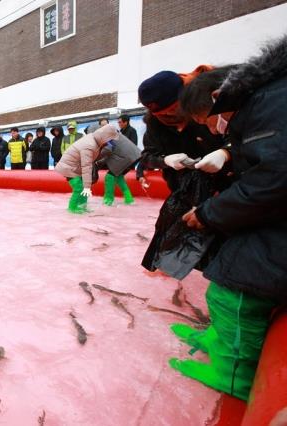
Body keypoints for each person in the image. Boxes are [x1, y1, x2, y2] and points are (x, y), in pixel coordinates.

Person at [170, 36, 287, 401]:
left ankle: (233, 371)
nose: (208, 130)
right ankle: (220, 338)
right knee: (224, 269)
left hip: (276, 219)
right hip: (270, 215)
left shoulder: (272, 104)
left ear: (219, 100)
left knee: (231, 289)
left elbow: (274, 178)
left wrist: (208, 213)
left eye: (205, 121)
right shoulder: (266, 101)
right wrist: (229, 154)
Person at [138, 67, 226, 192]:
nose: (169, 115)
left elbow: (239, 137)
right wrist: (165, 161)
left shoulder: (207, 107)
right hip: (181, 189)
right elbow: (147, 157)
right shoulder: (154, 123)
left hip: (224, 185)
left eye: (173, 108)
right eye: (163, 113)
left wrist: (225, 153)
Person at [55, 124, 119, 213]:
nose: (109, 143)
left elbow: (91, 160)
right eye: (109, 141)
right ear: (104, 137)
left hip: (76, 167)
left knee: (84, 188)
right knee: (79, 188)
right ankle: (72, 208)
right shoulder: (90, 145)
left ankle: (82, 206)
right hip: (68, 167)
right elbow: (86, 166)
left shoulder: (95, 142)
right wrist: (87, 186)